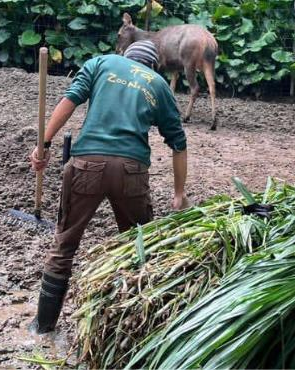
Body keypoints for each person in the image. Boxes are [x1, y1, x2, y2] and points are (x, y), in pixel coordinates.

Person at [27, 40, 189, 334]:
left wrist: (44, 145)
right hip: (131, 171)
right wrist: (178, 194)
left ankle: (43, 326)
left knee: (64, 245)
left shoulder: (101, 63)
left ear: (126, 56)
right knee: (140, 247)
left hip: (87, 163)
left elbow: (70, 101)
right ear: (152, 65)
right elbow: (179, 144)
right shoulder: (160, 85)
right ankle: (135, 327)